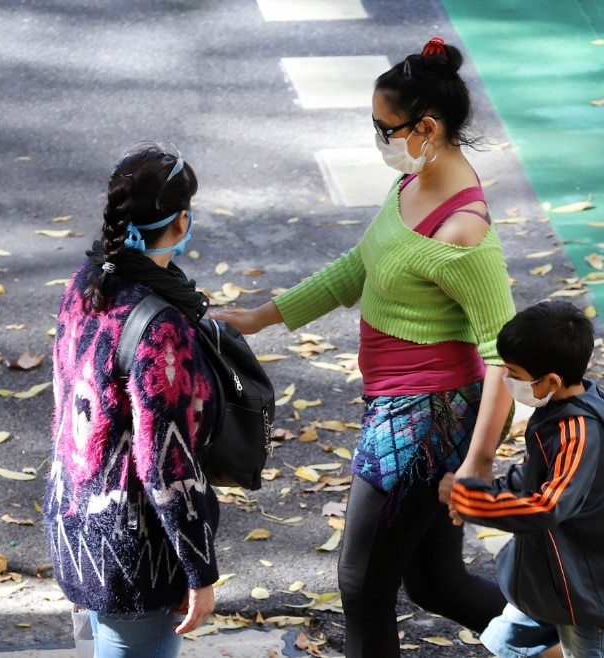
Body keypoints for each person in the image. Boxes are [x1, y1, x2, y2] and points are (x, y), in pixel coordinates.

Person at [214, 37, 518, 657]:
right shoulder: (416, 176)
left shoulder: (465, 233)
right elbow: (360, 266)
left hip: (423, 420)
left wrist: (476, 463)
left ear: (426, 126)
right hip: (396, 406)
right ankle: (564, 642)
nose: (378, 138)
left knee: (362, 585)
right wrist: (259, 318)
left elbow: (502, 360)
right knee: (436, 581)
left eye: (386, 128)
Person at [43, 142, 220, 658]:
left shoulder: (87, 281)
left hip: (74, 518)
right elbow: (164, 461)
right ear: (182, 222)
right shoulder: (159, 325)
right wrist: (198, 569)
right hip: (133, 552)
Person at [442, 300, 604, 658]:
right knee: (504, 642)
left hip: (588, 590)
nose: (508, 381)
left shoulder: (579, 431)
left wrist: (472, 501)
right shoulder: (555, 412)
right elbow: (531, 477)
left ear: (550, 381)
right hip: (549, 579)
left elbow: (547, 505)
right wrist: (482, 492)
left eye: (515, 374)